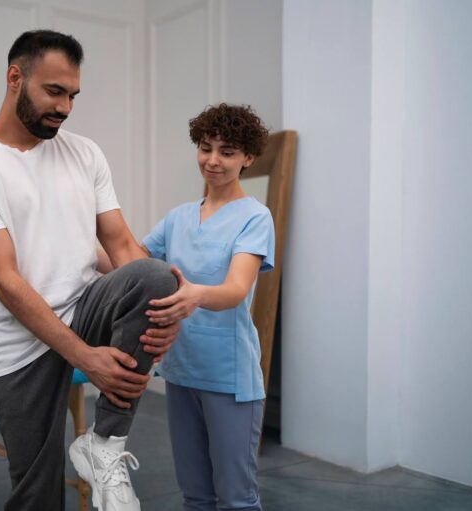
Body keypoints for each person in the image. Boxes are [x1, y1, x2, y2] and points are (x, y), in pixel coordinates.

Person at [0, 30, 178, 511]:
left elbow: (121, 245)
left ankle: (104, 444)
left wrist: (164, 307)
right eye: (54, 91)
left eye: (72, 95)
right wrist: (86, 358)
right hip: (18, 341)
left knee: (157, 277)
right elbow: (6, 281)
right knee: (38, 496)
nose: (65, 107)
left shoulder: (84, 153)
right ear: (15, 77)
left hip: (85, 308)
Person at [142, 103, 274, 511]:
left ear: (248, 157)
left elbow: (235, 289)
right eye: (205, 148)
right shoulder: (178, 218)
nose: (212, 160)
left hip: (229, 377)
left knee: (236, 498)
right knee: (195, 495)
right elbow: (133, 261)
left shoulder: (255, 217)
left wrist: (195, 295)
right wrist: (77, 246)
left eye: (227, 152)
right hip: (182, 370)